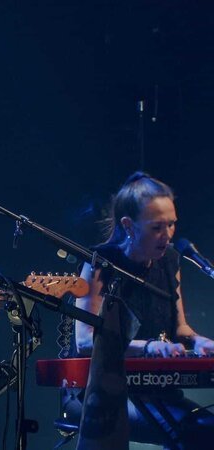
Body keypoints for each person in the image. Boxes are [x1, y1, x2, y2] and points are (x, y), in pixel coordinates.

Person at [69, 172, 214, 448]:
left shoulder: (170, 259)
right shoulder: (100, 263)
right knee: (198, 433)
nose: (167, 235)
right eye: (157, 227)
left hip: (157, 389)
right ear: (128, 225)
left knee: (205, 430)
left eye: (171, 225)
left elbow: (179, 328)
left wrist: (199, 341)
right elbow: (85, 342)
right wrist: (147, 347)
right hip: (99, 391)